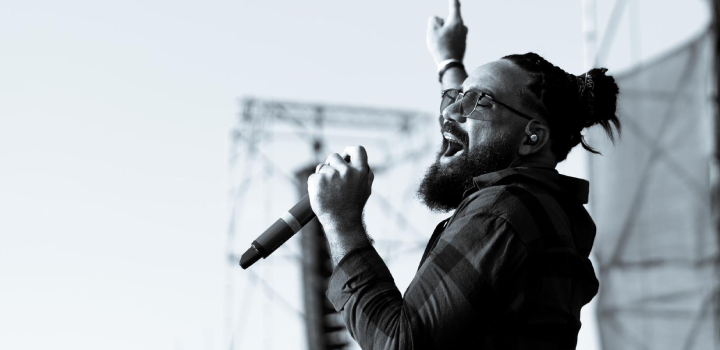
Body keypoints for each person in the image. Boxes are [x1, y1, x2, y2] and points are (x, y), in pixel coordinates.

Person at [307, 0, 621, 348]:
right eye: (455, 97)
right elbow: (482, 139)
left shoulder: (499, 215)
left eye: (478, 100)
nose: (450, 113)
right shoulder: (538, 206)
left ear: (532, 137)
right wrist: (449, 62)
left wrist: (342, 221)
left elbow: (398, 343)